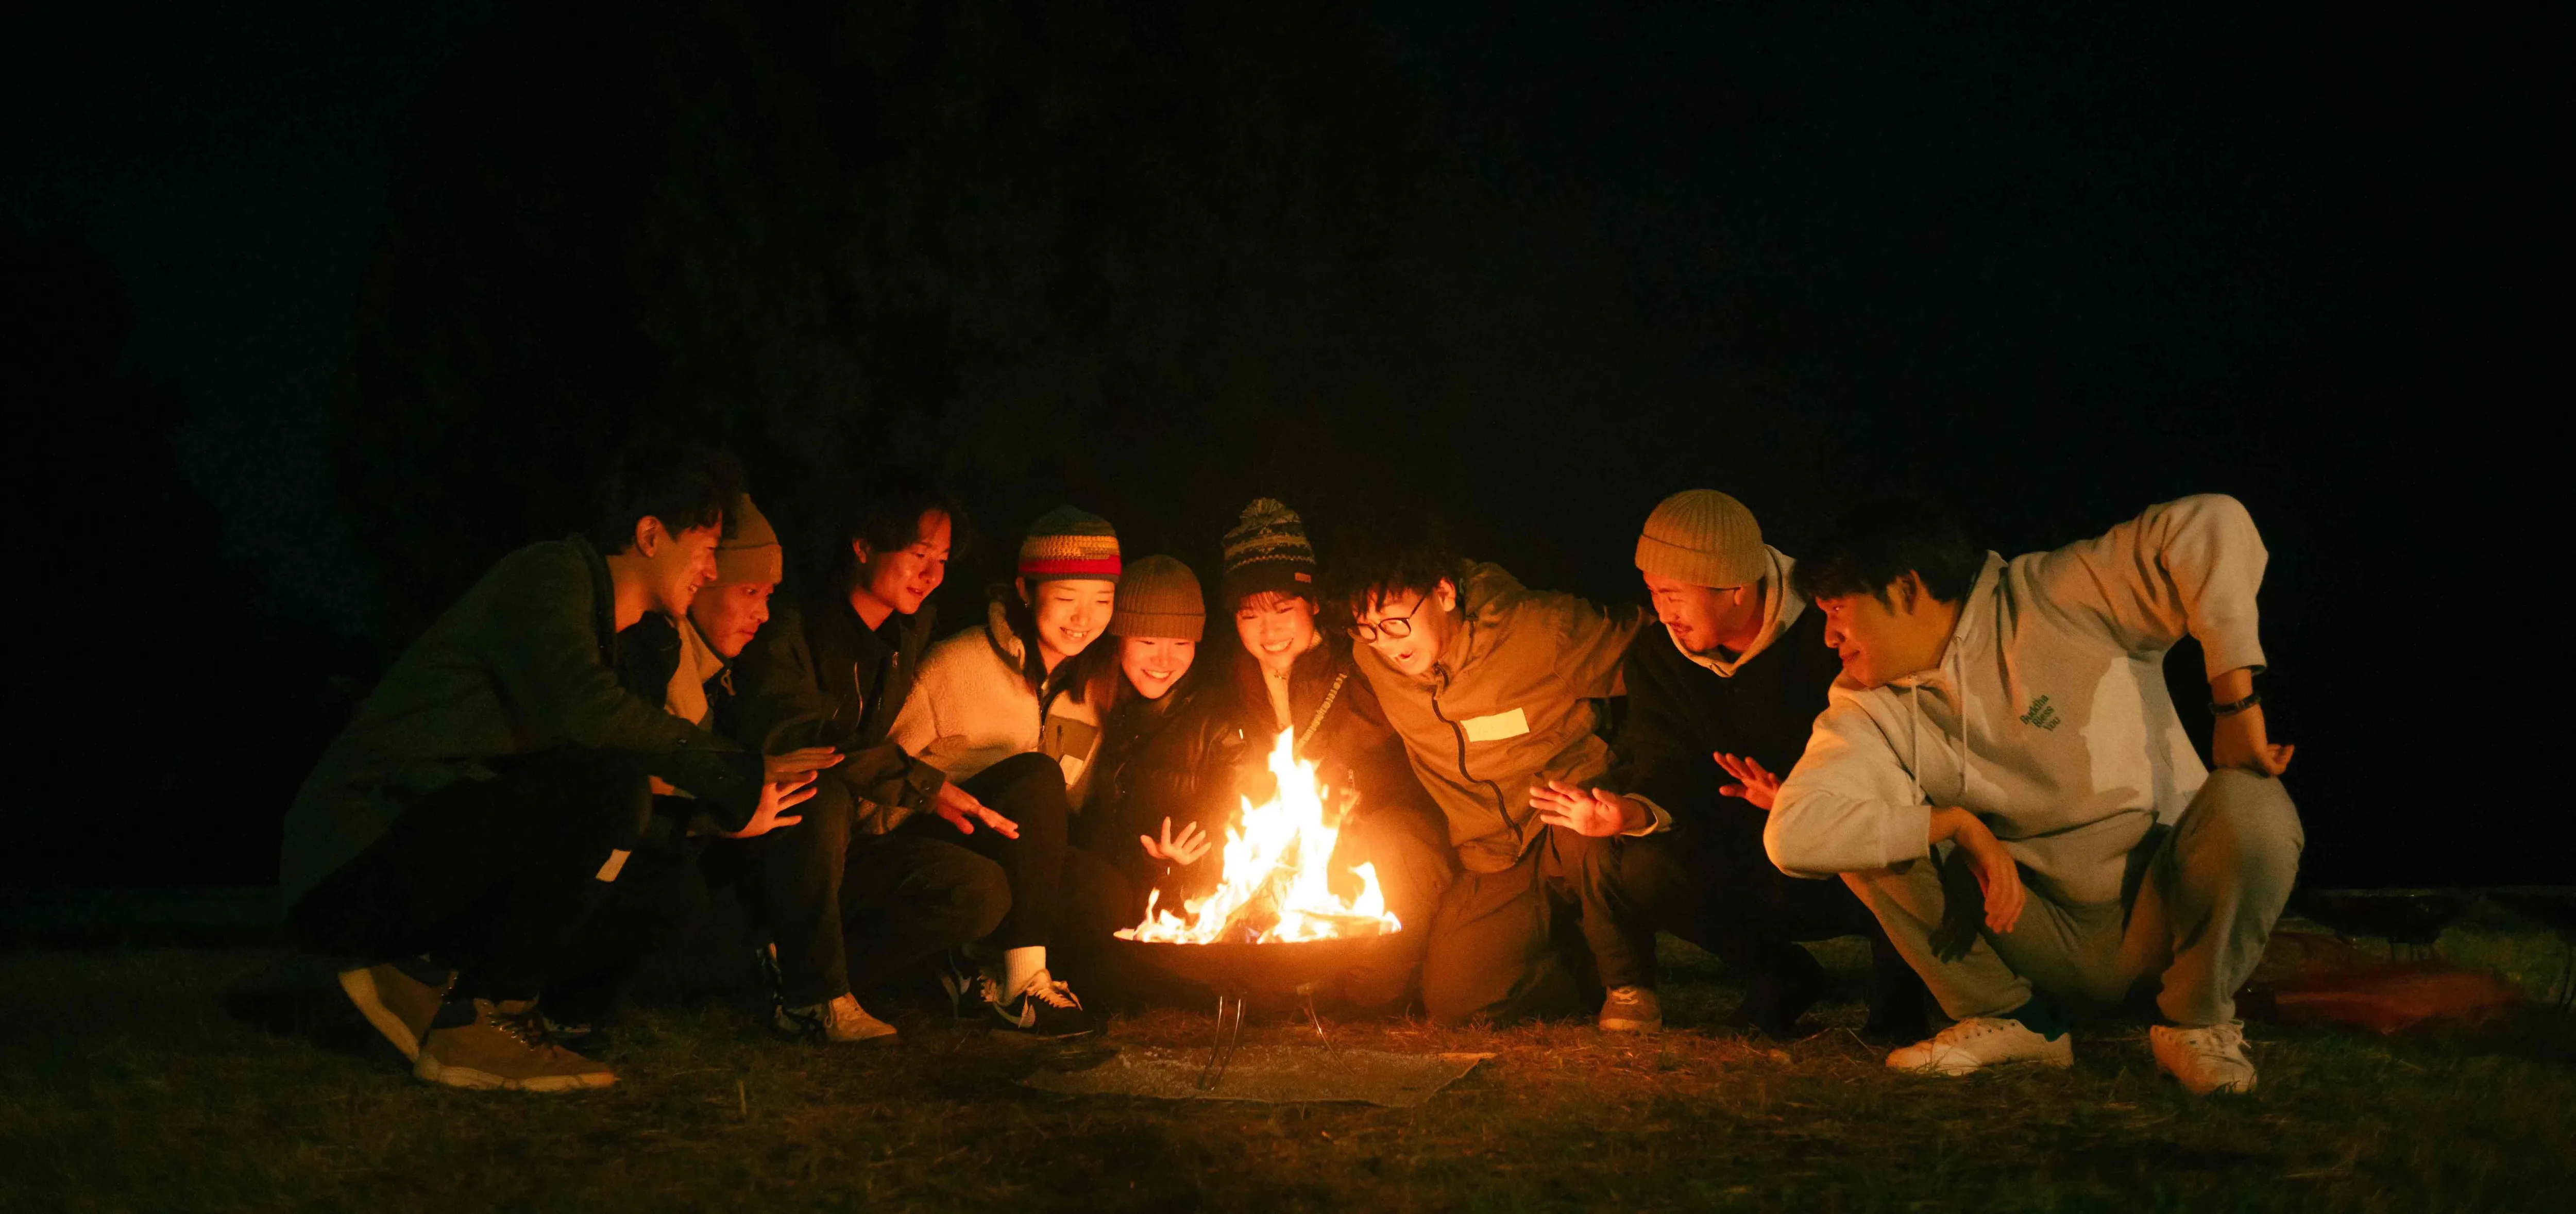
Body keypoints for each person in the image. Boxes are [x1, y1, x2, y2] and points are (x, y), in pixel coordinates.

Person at [281, 445, 836, 1091]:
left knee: (665, 881)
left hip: (411, 859)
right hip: (355, 856)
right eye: (708, 547)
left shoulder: (620, 636)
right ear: (651, 535)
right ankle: (483, 1018)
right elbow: (591, 718)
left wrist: (713, 814)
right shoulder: (548, 578)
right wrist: (734, 774)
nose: (710, 569)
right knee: (607, 787)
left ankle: (465, 993)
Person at [1765, 494, 2302, 1095]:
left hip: (2167, 907)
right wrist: (1953, 824)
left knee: (2251, 800)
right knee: (1868, 836)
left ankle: (2194, 1021)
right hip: (2037, 928)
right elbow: (1793, 832)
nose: (1829, 635)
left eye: (1838, 609)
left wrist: (2233, 703)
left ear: (1908, 588)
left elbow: (2212, 521)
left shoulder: (2054, 596)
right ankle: (2013, 1020)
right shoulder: (1866, 708)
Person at [1531, 491, 1929, 1039]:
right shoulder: (1660, 655)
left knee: (1901, 848)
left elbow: (1893, 744)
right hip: (1743, 854)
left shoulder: (1829, 630)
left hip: (1843, 846)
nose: (1662, 611)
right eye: (1652, 593)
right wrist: (1630, 811)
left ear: (1736, 589)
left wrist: (1801, 801)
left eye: (1673, 594)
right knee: (1642, 869)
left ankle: (1899, 1009)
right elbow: (1663, 758)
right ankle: (1779, 976)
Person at [701, 480, 1017, 1044]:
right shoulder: (787, 627)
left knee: (979, 888)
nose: (931, 573)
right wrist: (923, 786)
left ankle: (794, 974)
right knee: (820, 786)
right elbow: (803, 738)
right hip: (765, 841)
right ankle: (812, 993)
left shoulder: (908, 630)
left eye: (941, 560)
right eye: (918, 555)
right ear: (863, 546)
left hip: (842, 849)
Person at [1337, 524, 1653, 1027]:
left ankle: (1630, 984)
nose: (1385, 644)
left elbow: (1654, 647)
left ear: (1442, 592)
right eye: (1365, 629)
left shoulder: (1537, 631)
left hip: (1570, 818)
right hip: (1492, 852)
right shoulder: (1373, 662)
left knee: (1587, 833)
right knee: (1455, 1000)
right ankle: (1579, 973)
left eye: (1395, 622)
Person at [888, 505, 1125, 1036]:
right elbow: (880, 773)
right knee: (1036, 777)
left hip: (1011, 849)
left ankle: (978, 969)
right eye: (1066, 599)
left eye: (1101, 601)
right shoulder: (957, 663)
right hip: (927, 838)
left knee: (1104, 892)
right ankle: (1024, 985)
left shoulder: (1086, 692)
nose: (1083, 618)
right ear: (1026, 590)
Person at [1216, 499, 1449, 1008]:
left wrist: (1346, 795)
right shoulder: (1236, 677)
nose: (1268, 629)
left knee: (1369, 989)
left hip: (1383, 838)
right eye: (1249, 614)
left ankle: (1374, 984)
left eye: (1283, 609)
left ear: (1313, 603)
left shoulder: (1360, 663)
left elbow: (1394, 763)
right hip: (1291, 850)